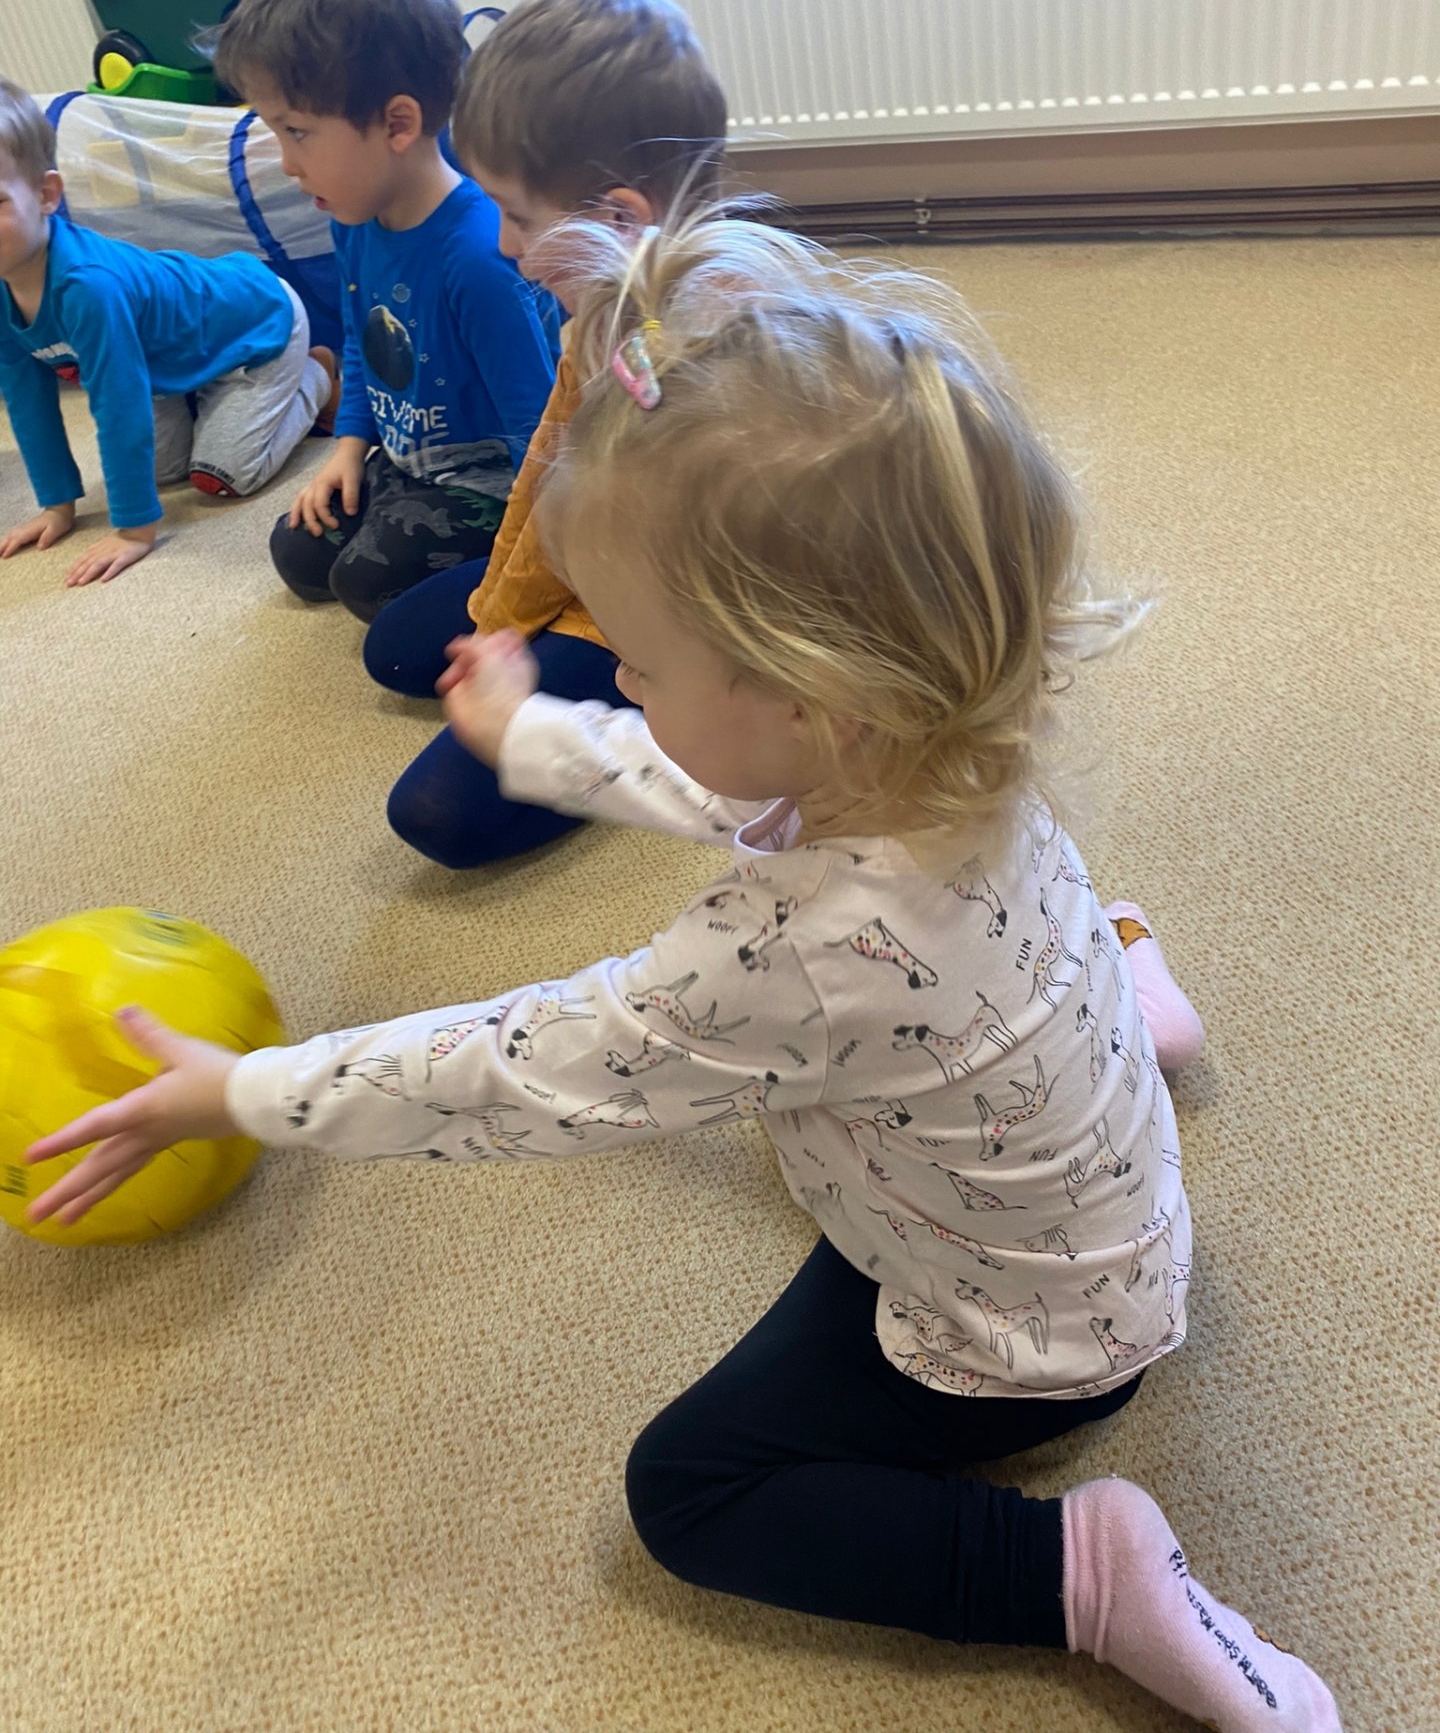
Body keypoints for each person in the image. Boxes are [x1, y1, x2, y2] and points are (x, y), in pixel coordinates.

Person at [25, 214, 1330, 1732]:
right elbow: (724, 781)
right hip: (1088, 1189)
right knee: (876, 1070)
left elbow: (519, 1067)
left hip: (1036, 1344)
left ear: (812, 693)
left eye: (640, 660)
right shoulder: (941, 741)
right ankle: (1121, 1014)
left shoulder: (800, 956)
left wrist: (245, 1091)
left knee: (692, 1492)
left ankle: (1084, 1574)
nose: (622, 679)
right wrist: (535, 736)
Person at [359, 0, 729, 862]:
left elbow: (635, 557)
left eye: (519, 216)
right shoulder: (600, 312)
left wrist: (517, 645)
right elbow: (545, 474)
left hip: (657, 616)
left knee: (434, 815)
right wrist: (499, 614)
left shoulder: (700, 360)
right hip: (592, 568)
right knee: (396, 648)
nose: (503, 245)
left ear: (621, 218)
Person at [212, 0, 559, 623]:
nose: (286, 162)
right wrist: (347, 451)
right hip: (405, 462)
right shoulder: (352, 220)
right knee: (297, 555)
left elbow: (540, 435)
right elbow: (364, 352)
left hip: (490, 487)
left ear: (398, 123)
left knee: (365, 585)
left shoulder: (478, 258)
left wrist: (536, 566)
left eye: (297, 132)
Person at [0, 77, 335, 588]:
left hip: (258, 325)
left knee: (221, 476)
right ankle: (203, 393)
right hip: (169, 356)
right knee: (158, 471)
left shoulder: (87, 286)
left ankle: (315, 376)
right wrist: (57, 506)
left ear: (47, 195)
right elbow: (26, 398)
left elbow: (118, 405)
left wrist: (134, 531)